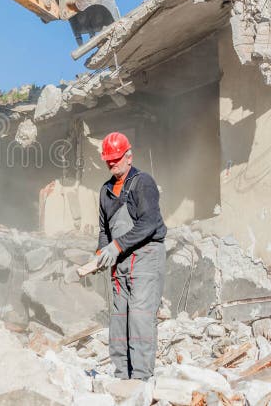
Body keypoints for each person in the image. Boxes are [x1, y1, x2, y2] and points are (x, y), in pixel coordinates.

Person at [96, 132, 167, 380]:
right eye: (109, 160)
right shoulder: (105, 191)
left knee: (139, 318)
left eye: (117, 158)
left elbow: (148, 223)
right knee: (119, 320)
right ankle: (121, 376)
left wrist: (116, 247)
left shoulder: (142, 182)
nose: (113, 163)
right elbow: (104, 229)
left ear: (129, 156)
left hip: (146, 256)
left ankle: (140, 379)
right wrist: (100, 254)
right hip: (121, 261)